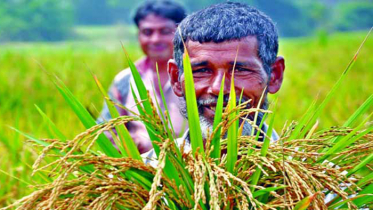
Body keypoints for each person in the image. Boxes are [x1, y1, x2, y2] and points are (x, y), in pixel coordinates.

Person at [143, 2, 285, 164]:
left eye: (240, 70)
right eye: (202, 71)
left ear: (274, 76)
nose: (218, 88)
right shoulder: (145, 173)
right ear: (176, 79)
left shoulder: (313, 181)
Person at [97, 0, 187, 154]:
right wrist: (129, 144)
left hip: (193, 169)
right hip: (141, 171)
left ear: (181, 33)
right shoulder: (125, 80)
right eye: (147, 32)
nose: (155, 39)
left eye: (165, 31)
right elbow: (105, 131)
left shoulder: (199, 76)